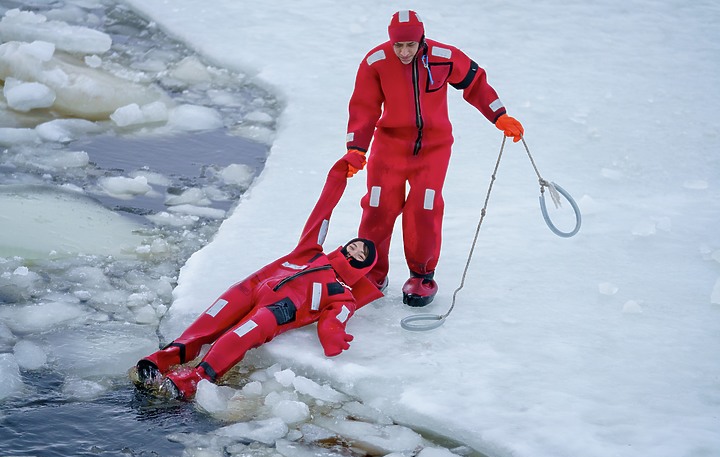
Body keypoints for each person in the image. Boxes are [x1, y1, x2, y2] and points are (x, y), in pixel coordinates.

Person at [133, 156, 380, 400]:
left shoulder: (343, 296)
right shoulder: (311, 251)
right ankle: (167, 357)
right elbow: (323, 210)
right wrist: (338, 175)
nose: (355, 252)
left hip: (277, 312)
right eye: (355, 246)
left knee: (238, 337)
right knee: (208, 323)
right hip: (249, 289)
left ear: (364, 266)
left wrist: (334, 338)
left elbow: (334, 321)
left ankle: (196, 379)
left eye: (362, 255)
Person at [342, 10, 524, 307]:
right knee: (377, 205)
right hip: (390, 147)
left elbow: (475, 82)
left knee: (424, 206)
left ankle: (421, 276)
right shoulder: (375, 61)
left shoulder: (443, 56)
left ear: (421, 39)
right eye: (398, 46)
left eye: (410, 46)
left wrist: (499, 115)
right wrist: (356, 148)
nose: (404, 52)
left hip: (433, 148)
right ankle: (372, 272)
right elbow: (364, 107)